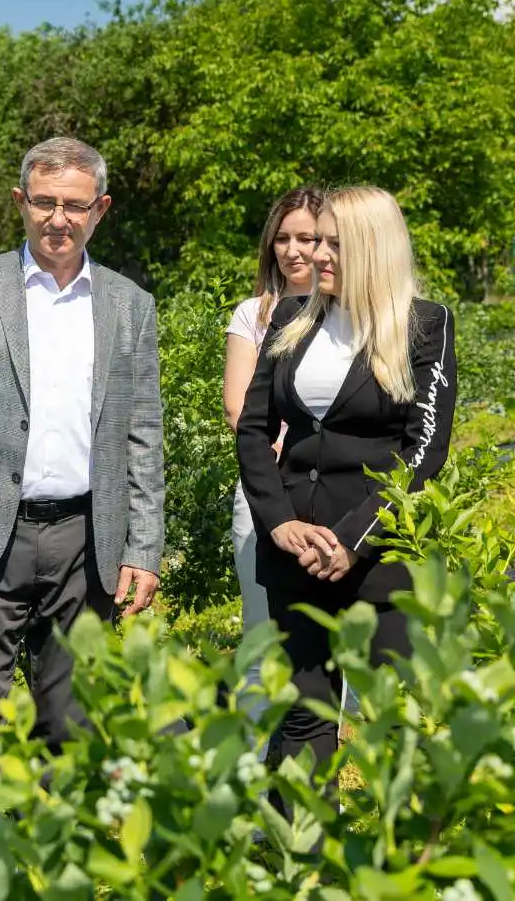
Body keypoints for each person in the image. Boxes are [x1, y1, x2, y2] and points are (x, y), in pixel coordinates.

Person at [0, 136, 165, 750]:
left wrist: (142, 547)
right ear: (20, 202)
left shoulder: (129, 305)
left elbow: (142, 431)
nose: (58, 219)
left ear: (101, 209)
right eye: (44, 202)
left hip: (85, 537)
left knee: (72, 714)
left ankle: (59, 834)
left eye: (75, 204)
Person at [236, 185, 457, 774]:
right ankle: (296, 859)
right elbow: (253, 432)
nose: (318, 255)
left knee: (394, 718)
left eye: (335, 244)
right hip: (296, 552)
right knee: (304, 713)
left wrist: (354, 542)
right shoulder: (290, 316)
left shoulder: (426, 326)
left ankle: (397, 858)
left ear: (373, 249)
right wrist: (280, 523)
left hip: (379, 554)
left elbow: (425, 448)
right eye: (318, 241)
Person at [222, 188, 322, 719]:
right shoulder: (252, 316)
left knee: (330, 634)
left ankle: (320, 759)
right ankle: (252, 762)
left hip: (334, 488)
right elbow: (239, 411)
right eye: (282, 238)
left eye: (306, 237)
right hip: (265, 487)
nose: (293, 250)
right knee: (261, 630)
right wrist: (279, 450)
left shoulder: (350, 314)